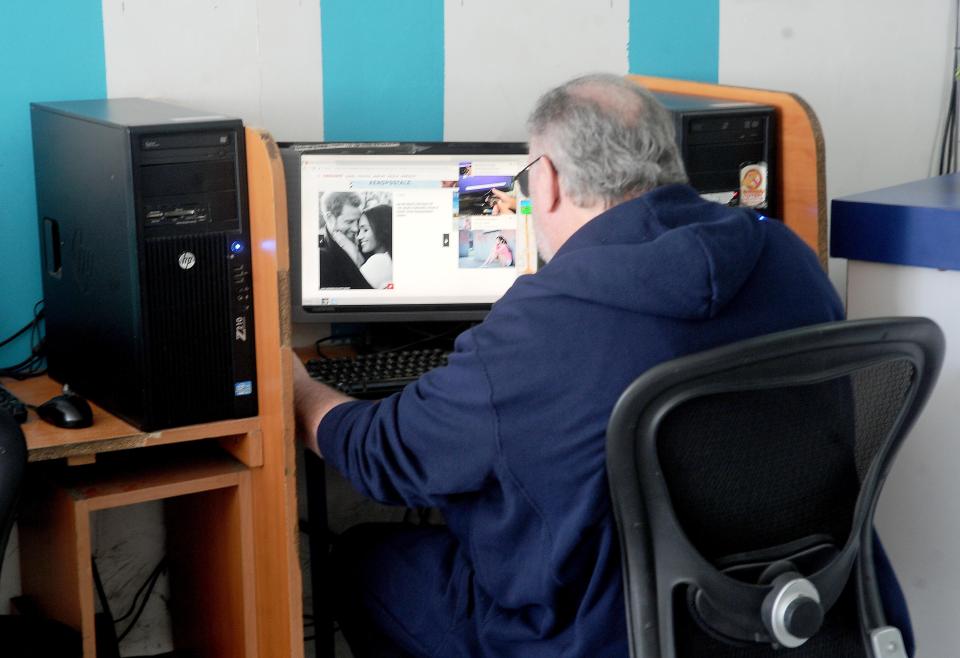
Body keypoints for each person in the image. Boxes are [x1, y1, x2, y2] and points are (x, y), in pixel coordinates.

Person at [293, 74, 909, 657]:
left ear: (551, 182)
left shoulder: (543, 323)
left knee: (363, 560)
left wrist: (300, 391)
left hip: (595, 634)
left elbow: (385, 455)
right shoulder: (786, 256)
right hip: (793, 611)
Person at [318, 191, 371, 289]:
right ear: (330, 218)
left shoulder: (366, 241)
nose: (356, 228)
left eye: (358, 221)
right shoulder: (320, 254)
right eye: (349, 222)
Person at [357, 204, 393, 289]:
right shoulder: (389, 260)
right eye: (359, 230)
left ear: (382, 228)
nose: (359, 236)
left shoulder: (379, 261)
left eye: (365, 230)